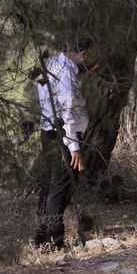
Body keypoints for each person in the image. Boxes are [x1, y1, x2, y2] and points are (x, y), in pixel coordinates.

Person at [33, 36, 94, 250]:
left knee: (48, 188)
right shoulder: (67, 73)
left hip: (48, 132)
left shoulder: (51, 65)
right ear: (83, 54)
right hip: (63, 135)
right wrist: (74, 147)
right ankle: (54, 243)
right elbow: (67, 112)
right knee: (58, 190)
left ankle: (42, 240)